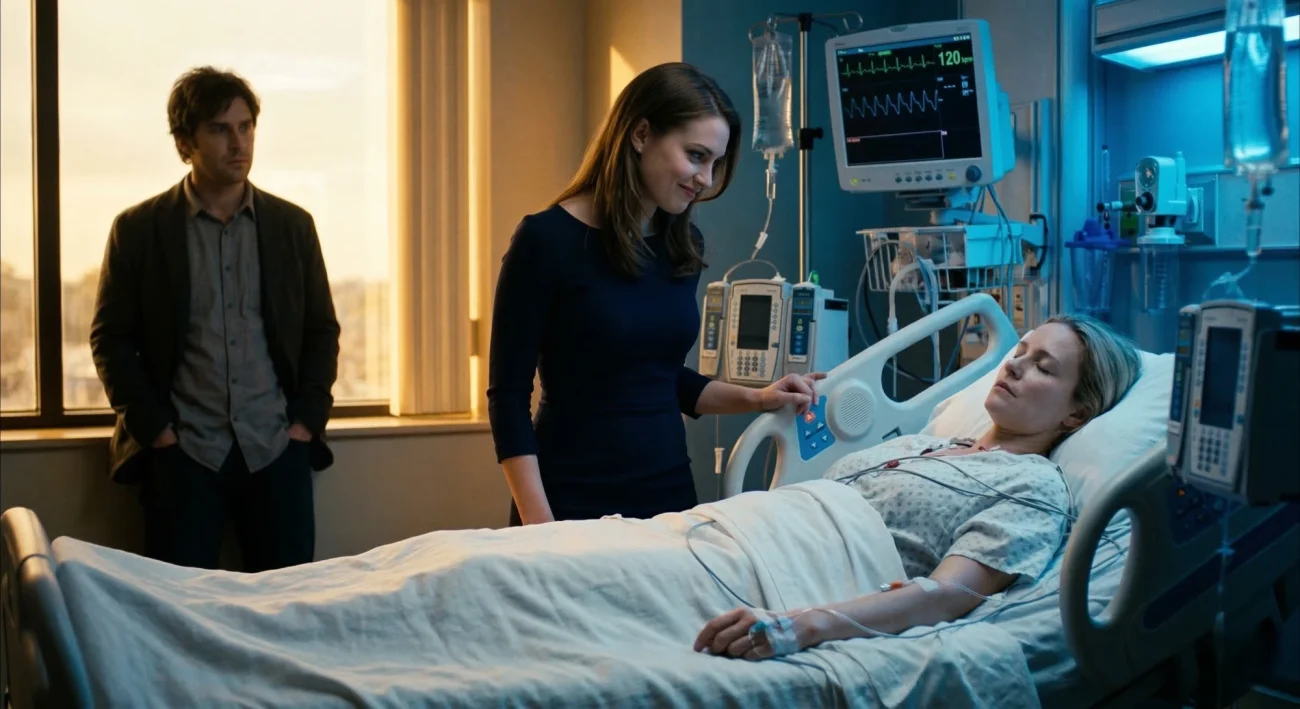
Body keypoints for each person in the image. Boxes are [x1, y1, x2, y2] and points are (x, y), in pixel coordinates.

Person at [486, 62, 824, 526]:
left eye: (716, 162)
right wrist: (540, 528)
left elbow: (660, 376)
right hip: (569, 500)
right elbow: (507, 400)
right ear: (641, 134)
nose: (706, 177)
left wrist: (760, 398)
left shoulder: (682, 246)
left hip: (668, 496)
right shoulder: (546, 241)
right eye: (696, 155)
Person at [694, 314, 1143, 659]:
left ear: (1076, 416)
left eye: (1043, 368)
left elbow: (950, 594)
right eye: (1020, 351)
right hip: (731, 538)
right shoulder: (924, 445)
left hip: (774, 582)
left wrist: (806, 625)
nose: (1015, 365)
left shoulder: (1031, 484)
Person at [89, 67, 340, 572]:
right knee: (182, 618)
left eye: (246, 127)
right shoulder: (140, 230)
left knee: (288, 609)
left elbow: (321, 330)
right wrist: (157, 432)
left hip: (276, 452)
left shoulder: (292, 227)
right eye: (220, 129)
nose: (238, 142)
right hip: (183, 458)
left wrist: (305, 424)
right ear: (185, 143)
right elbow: (110, 339)